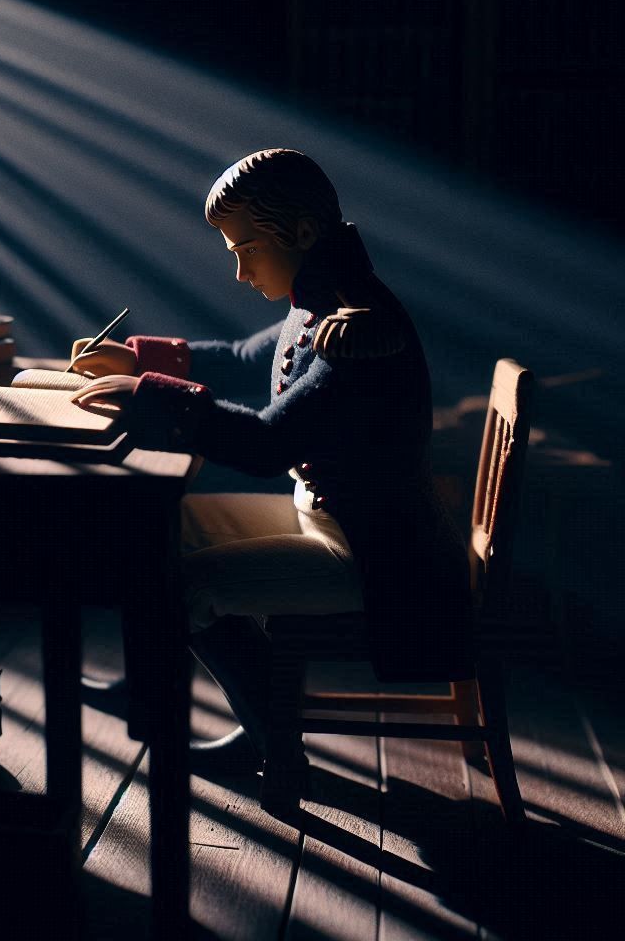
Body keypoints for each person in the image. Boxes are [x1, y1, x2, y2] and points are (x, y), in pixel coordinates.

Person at [69, 148, 472, 776]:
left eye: (247, 249)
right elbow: (243, 357)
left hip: (374, 553)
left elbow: (266, 445)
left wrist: (152, 395)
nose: (240, 272)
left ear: (302, 233)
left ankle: (275, 743)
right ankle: (174, 700)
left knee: (179, 588)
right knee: (161, 531)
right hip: (334, 520)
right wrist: (139, 359)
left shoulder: (356, 327)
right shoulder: (323, 295)